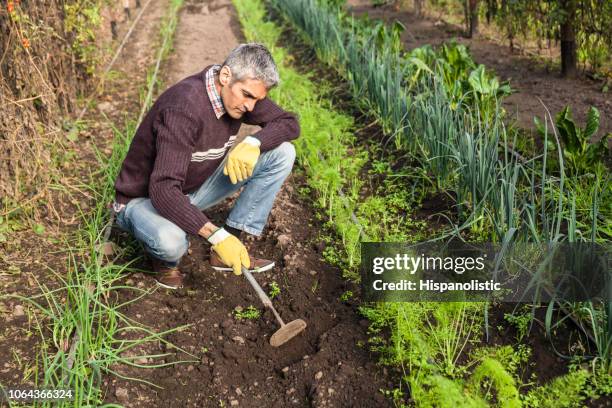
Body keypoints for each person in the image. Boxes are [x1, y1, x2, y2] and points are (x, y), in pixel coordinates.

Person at [113, 43, 300, 289]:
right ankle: (164, 261)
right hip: (145, 200)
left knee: (282, 152)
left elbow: (289, 123)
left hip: (192, 189)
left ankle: (228, 245)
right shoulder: (184, 108)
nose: (251, 107)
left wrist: (254, 142)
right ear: (225, 76)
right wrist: (216, 235)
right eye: (247, 96)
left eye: (257, 99)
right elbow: (163, 190)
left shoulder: (240, 92)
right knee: (171, 243)